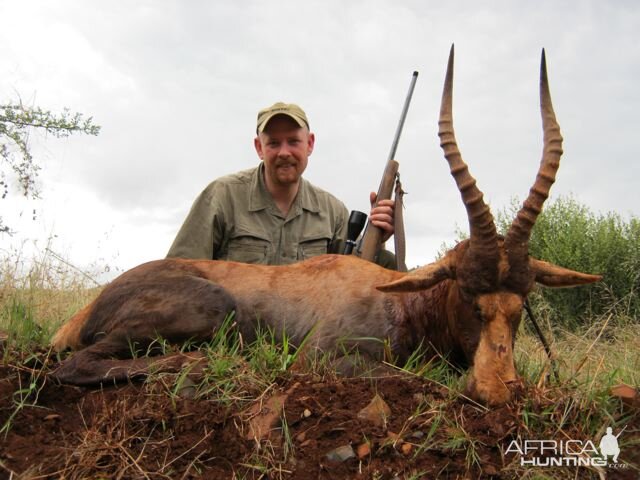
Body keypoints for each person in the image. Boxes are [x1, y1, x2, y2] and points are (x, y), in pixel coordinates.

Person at [167, 102, 396, 267]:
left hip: (309, 331)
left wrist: (377, 237)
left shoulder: (332, 211)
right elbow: (178, 273)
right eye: (273, 143)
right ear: (259, 147)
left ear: (310, 144)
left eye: (294, 141)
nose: (284, 152)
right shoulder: (222, 196)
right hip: (232, 330)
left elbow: (353, 277)